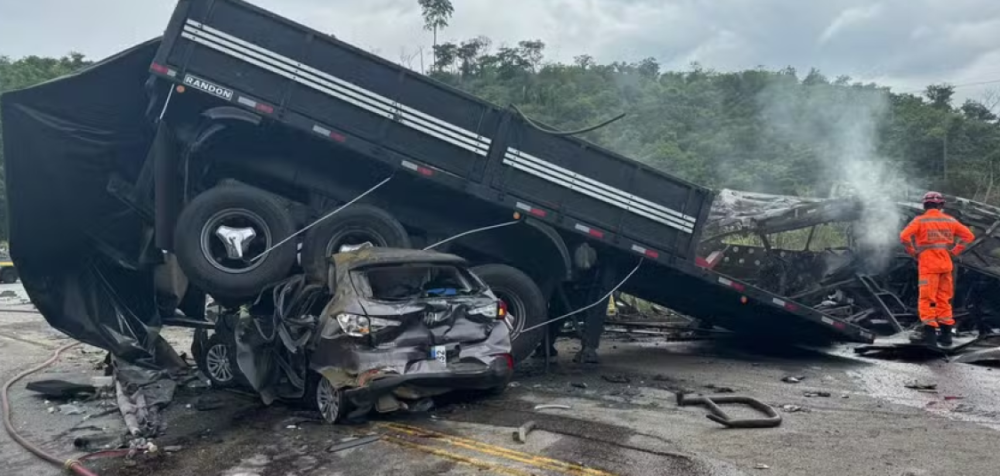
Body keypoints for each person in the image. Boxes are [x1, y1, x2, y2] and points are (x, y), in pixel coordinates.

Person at [899, 192, 975, 346]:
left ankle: (930, 338)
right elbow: (969, 236)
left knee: (927, 299)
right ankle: (946, 337)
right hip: (945, 264)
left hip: (928, 265)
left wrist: (913, 252)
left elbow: (904, 237)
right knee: (943, 299)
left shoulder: (920, 220)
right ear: (941, 205)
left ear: (924, 205)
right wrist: (954, 251)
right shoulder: (949, 220)